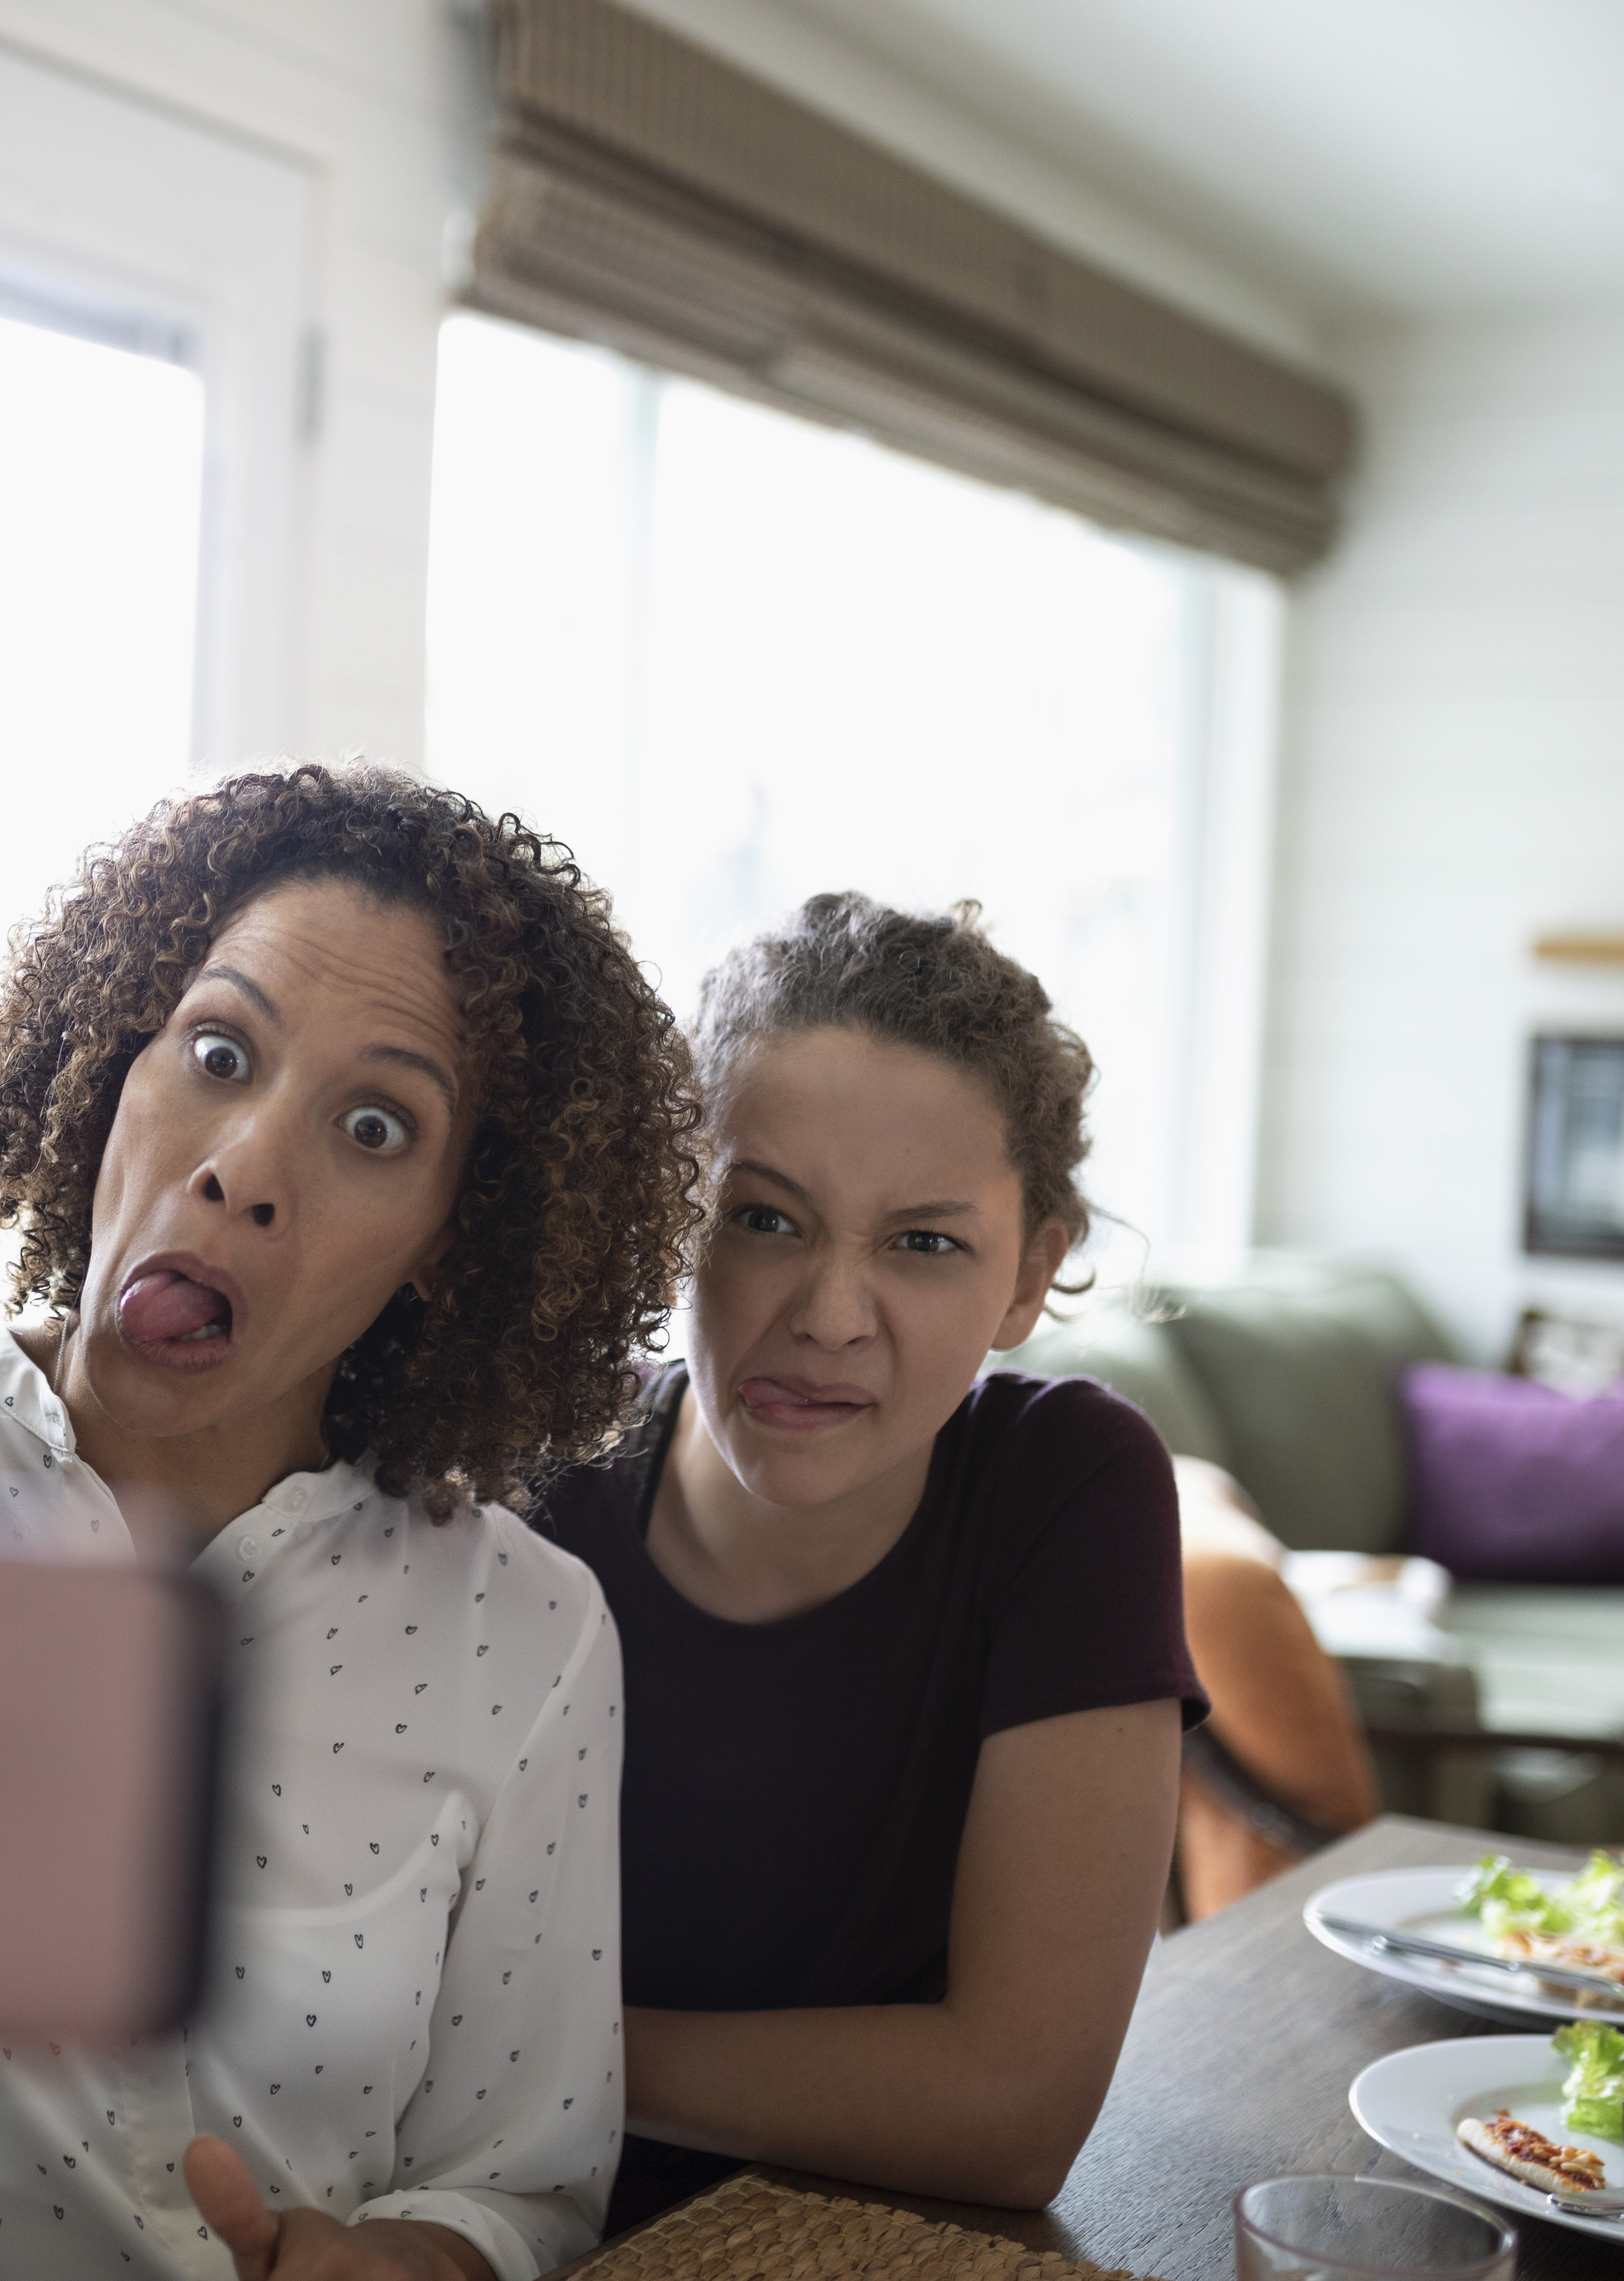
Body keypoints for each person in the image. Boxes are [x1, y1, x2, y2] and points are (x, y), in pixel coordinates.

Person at [0, 764, 707, 2281]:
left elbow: (530, 2181)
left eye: (374, 1128)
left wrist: (416, 2262)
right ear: (113, 1066)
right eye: (219, 1051)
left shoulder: (532, 1634)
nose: (245, 1166)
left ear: (455, 1240)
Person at [521, 893, 1208, 2233]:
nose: (832, 1318)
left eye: (925, 1245)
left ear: (1028, 1278)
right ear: (672, 1217)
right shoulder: (531, 1474)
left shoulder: (1066, 1485)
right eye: (765, 1219)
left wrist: (532, 2056)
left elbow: (1015, 2115)